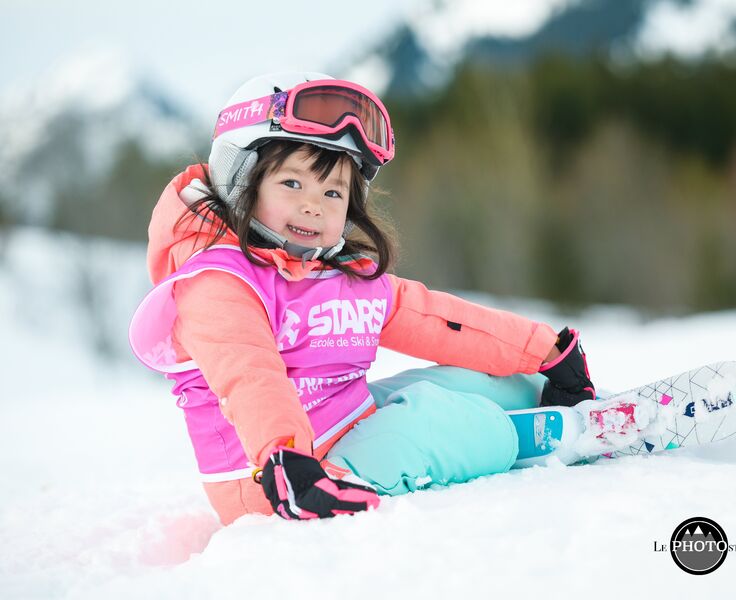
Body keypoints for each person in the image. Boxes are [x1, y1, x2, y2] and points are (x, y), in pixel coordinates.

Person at [129, 72, 595, 525]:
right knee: (455, 425)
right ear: (241, 180)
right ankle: (515, 437)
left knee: (495, 384)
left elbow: (433, 319)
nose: (314, 205)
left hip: (345, 423)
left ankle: (557, 406)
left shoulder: (329, 272)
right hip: (278, 478)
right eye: (292, 184)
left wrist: (544, 353)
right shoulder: (218, 282)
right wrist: (286, 458)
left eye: (333, 191)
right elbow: (249, 376)